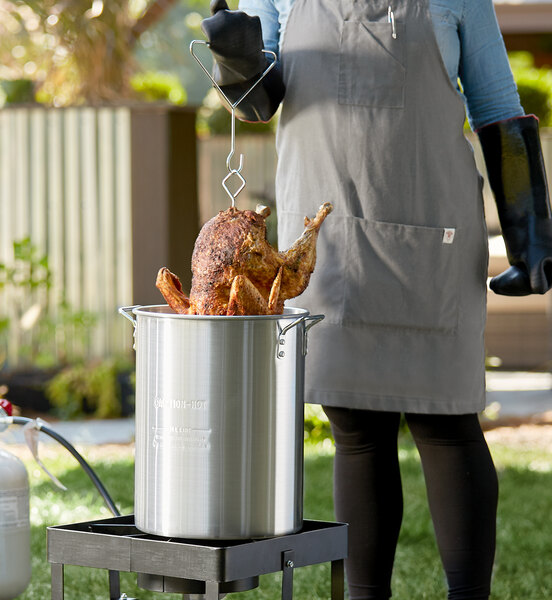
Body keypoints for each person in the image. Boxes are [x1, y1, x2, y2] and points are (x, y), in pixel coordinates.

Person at [201, 1, 552, 598]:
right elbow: (257, 102)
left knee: (446, 421)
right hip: (328, 238)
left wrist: (530, 233)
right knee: (355, 427)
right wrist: (234, 56)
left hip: (434, 236)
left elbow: (496, 106)